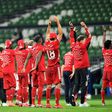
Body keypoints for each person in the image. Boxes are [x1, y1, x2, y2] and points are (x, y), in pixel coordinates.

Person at [69, 21, 92, 107]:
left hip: (77, 67)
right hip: (83, 67)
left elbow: (71, 37)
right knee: (84, 84)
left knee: (76, 84)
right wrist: (85, 27)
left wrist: (72, 29)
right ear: (82, 40)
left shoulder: (73, 45)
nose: (85, 40)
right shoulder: (83, 46)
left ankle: (72, 97)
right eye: (84, 40)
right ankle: (82, 102)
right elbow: (89, 36)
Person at [45, 16, 63, 108]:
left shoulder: (46, 43)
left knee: (48, 85)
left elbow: (47, 33)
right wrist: (58, 22)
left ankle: (48, 103)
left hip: (48, 67)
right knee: (58, 84)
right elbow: (61, 33)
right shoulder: (56, 43)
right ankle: (57, 103)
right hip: (56, 66)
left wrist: (49, 24)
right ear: (55, 38)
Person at [23, 34, 45, 107]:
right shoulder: (41, 47)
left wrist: (24, 67)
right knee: (41, 86)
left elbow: (27, 58)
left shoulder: (32, 48)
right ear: (40, 40)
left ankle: (33, 103)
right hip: (39, 69)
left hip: (33, 71)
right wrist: (36, 65)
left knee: (34, 87)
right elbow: (39, 56)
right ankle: (39, 103)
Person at [15, 39, 29, 107]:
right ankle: (25, 102)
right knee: (25, 87)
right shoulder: (26, 51)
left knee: (20, 87)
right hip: (24, 71)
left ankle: (19, 101)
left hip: (18, 71)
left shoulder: (16, 51)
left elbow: (16, 48)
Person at [2, 40, 16, 106]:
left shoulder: (3, 52)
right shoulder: (12, 51)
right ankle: (11, 101)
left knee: (7, 87)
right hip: (10, 70)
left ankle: (8, 101)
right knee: (13, 86)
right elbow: (17, 54)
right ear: (10, 45)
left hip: (4, 70)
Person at [101, 29, 112, 106]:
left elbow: (103, 43)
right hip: (111, 70)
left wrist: (104, 34)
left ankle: (103, 102)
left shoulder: (104, 51)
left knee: (103, 87)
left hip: (105, 71)